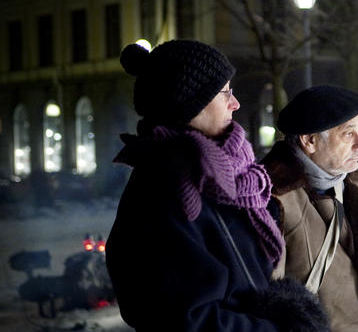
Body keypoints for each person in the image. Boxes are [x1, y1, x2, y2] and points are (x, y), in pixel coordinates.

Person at [106, 40, 328, 331]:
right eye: (224, 92)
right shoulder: (169, 187)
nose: (234, 103)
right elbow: (184, 318)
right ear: (188, 104)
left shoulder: (225, 175)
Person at [261, 84, 358, 332]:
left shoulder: (348, 182)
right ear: (310, 141)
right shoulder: (274, 199)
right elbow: (270, 304)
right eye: (349, 134)